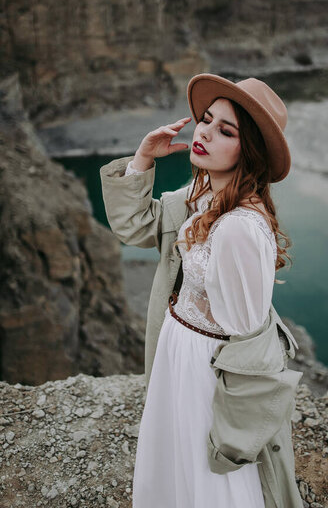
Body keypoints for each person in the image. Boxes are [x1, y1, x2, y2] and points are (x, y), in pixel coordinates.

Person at [100, 73, 304, 508]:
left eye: (224, 131)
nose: (204, 133)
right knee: (176, 465)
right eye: (206, 120)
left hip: (205, 368)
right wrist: (142, 159)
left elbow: (250, 338)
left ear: (247, 150)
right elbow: (135, 226)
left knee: (209, 476)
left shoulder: (239, 228)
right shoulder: (202, 194)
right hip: (175, 350)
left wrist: (237, 426)